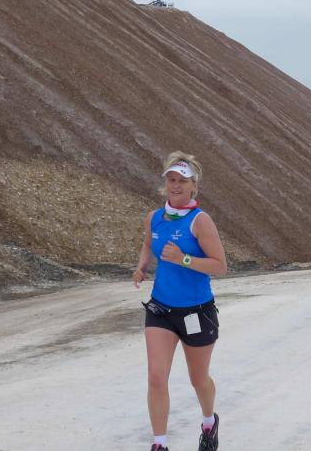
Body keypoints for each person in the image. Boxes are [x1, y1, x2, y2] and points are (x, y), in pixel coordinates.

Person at [133, 152, 227, 451]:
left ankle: (209, 423)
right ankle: (159, 444)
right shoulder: (154, 217)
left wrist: (184, 259)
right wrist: (142, 267)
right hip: (161, 310)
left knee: (198, 379)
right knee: (156, 377)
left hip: (196, 312)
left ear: (193, 185)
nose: (175, 185)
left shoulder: (200, 221)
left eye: (182, 181)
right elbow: (148, 243)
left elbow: (220, 266)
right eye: (171, 179)